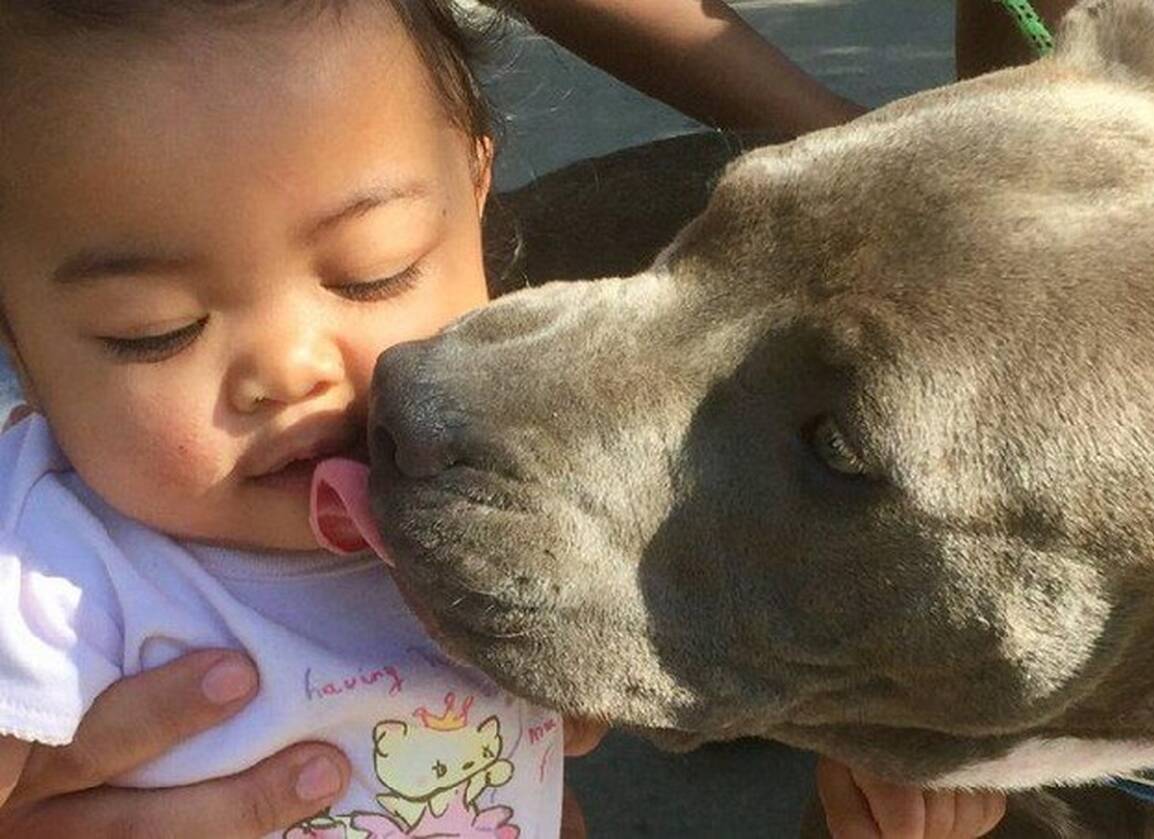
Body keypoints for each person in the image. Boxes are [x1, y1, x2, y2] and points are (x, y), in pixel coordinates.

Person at [0, 0, 1002, 837]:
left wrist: (887, 748)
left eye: (374, 271)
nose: (291, 367)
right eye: (155, 331)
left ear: (475, 196)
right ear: (19, 342)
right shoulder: (50, 577)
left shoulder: (518, 471)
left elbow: (766, 613)